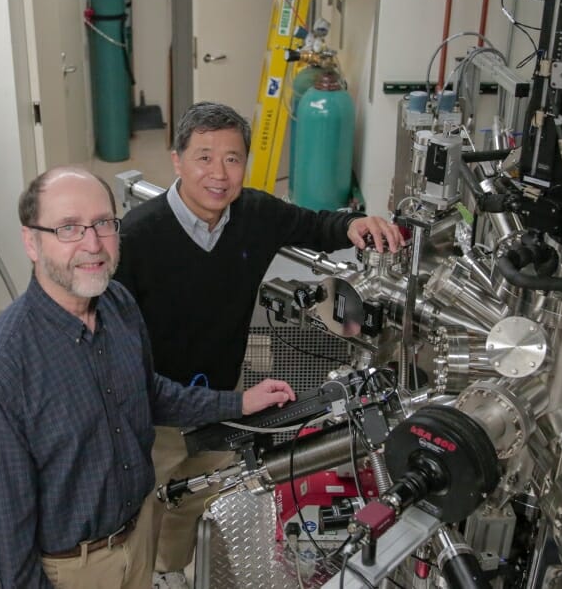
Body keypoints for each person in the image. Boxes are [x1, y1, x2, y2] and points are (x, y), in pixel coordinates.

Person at [0, 166, 297, 589]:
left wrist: (238, 403)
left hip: (138, 541)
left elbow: (148, 392)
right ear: (31, 241)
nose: (93, 244)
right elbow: (4, 529)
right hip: (72, 571)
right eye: (68, 228)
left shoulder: (116, 303)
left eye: (104, 223)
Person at [113, 101, 403, 588]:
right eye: (204, 157)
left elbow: (314, 225)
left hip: (223, 401)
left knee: (195, 495)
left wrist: (352, 225)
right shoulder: (138, 238)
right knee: (141, 505)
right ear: (176, 160)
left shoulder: (255, 214)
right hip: (152, 409)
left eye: (232, 158)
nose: (219, 174)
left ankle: (169, 572)